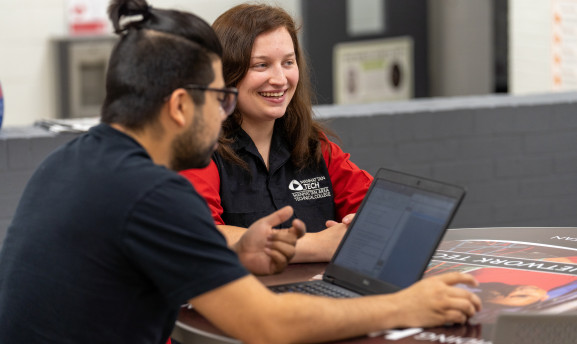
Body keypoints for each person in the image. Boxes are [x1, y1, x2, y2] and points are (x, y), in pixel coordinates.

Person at [0, 1, 481, 343]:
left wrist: (238, 252)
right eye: (220, 96)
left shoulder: (72, 161)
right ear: (180, 106)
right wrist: (410, 305)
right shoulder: (150, 193)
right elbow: (267, 325)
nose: (225, 111)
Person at [180, 4, 374, 263]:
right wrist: (316, 244)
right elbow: (198, 235)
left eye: (288, 62)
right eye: (261, 65)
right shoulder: (197, 151)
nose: (280, 79)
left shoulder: (315, 146)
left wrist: (362, 225)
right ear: (226, 74)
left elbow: (380, 210)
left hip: (319, 297)